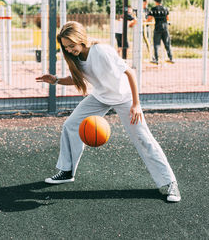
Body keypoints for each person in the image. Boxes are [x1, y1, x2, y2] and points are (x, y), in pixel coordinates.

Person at [35, 21, 181, 202]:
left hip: (125, 98)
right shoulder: (77, 58)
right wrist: (56, 80)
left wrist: (136, 104)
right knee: (71, 125)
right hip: (100, 97)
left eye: (71, 45)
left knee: (143, 138)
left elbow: (130, 73)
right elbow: (77, 78)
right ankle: (66, 171)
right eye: (66, 47)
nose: (70, 50)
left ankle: (169, 183)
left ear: (81, 39)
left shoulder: (102, 51)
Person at [146, 0, 174, 65]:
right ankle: (170, 58)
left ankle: (156, 59)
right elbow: (167, 18)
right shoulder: (165, 9)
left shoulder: (154, 9)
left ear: (156, 2)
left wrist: (145, 21)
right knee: (167, 43)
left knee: (156, 44)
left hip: (157, 28)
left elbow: (149, 18)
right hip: (165, 28)